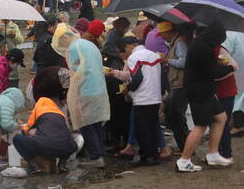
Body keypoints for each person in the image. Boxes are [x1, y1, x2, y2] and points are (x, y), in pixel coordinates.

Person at [179, 20, 235, 172]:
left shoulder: (201, 44)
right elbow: (211, 72)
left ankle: (213, 153)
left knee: (220, 118)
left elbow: (207, 68)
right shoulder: (202, 48)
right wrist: (229, 67)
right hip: (199, 91)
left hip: (205, 89)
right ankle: (184, 160)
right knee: (201, 125)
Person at [53, 24, 110, 169]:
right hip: (99, 89)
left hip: (85, 90)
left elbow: (77, 72)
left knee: (86, 124)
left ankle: (96, 157)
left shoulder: (73, 48)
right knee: (97, 123)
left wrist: (73, 91)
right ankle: (100, 154)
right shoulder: (88, 44)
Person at [12, 67, 77, 175]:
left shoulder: (39, 107)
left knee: (18, 139)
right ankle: (62, 164)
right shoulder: (59, 112)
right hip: (65, 149)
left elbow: (26, 128)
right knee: (71, 143)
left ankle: (34, 166)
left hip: (45, 147)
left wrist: (27, 133)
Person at [113, 35, 163, 167]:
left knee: (142, 129)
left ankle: (146, 157)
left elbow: (137, 78)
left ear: (130, 46)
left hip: (143, 98)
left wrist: (128, 89)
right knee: (151, 128)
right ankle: (154, 155)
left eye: (124, 50)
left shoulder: (134, 57)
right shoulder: (153, 55)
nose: (124, 54)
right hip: (154, 96)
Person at [158, 21, 190, 153]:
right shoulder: (175, 42)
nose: (161, 37)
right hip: (176, 83)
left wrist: (167, 60)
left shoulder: (180, 42)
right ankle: (184, 146)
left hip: (181, 84)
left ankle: (186, 147)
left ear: (168, 32)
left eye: (162, 34)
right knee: (173, 114)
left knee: (177, 116)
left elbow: (184, 62)